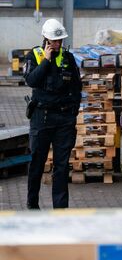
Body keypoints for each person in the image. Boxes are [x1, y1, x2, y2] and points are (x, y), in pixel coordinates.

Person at [24, 19, 82, 209]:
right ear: (45, 39)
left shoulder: (68, 58)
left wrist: (73, 112)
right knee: (36, 164)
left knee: (61, 166)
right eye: (53, 41)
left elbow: (76, 87)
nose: (57, 44)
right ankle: (32, 205)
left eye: (59, 41)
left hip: (64, 120)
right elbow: (31, 81)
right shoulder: (34, 56)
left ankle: (60, 209)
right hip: (42, 118)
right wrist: (46, 61)